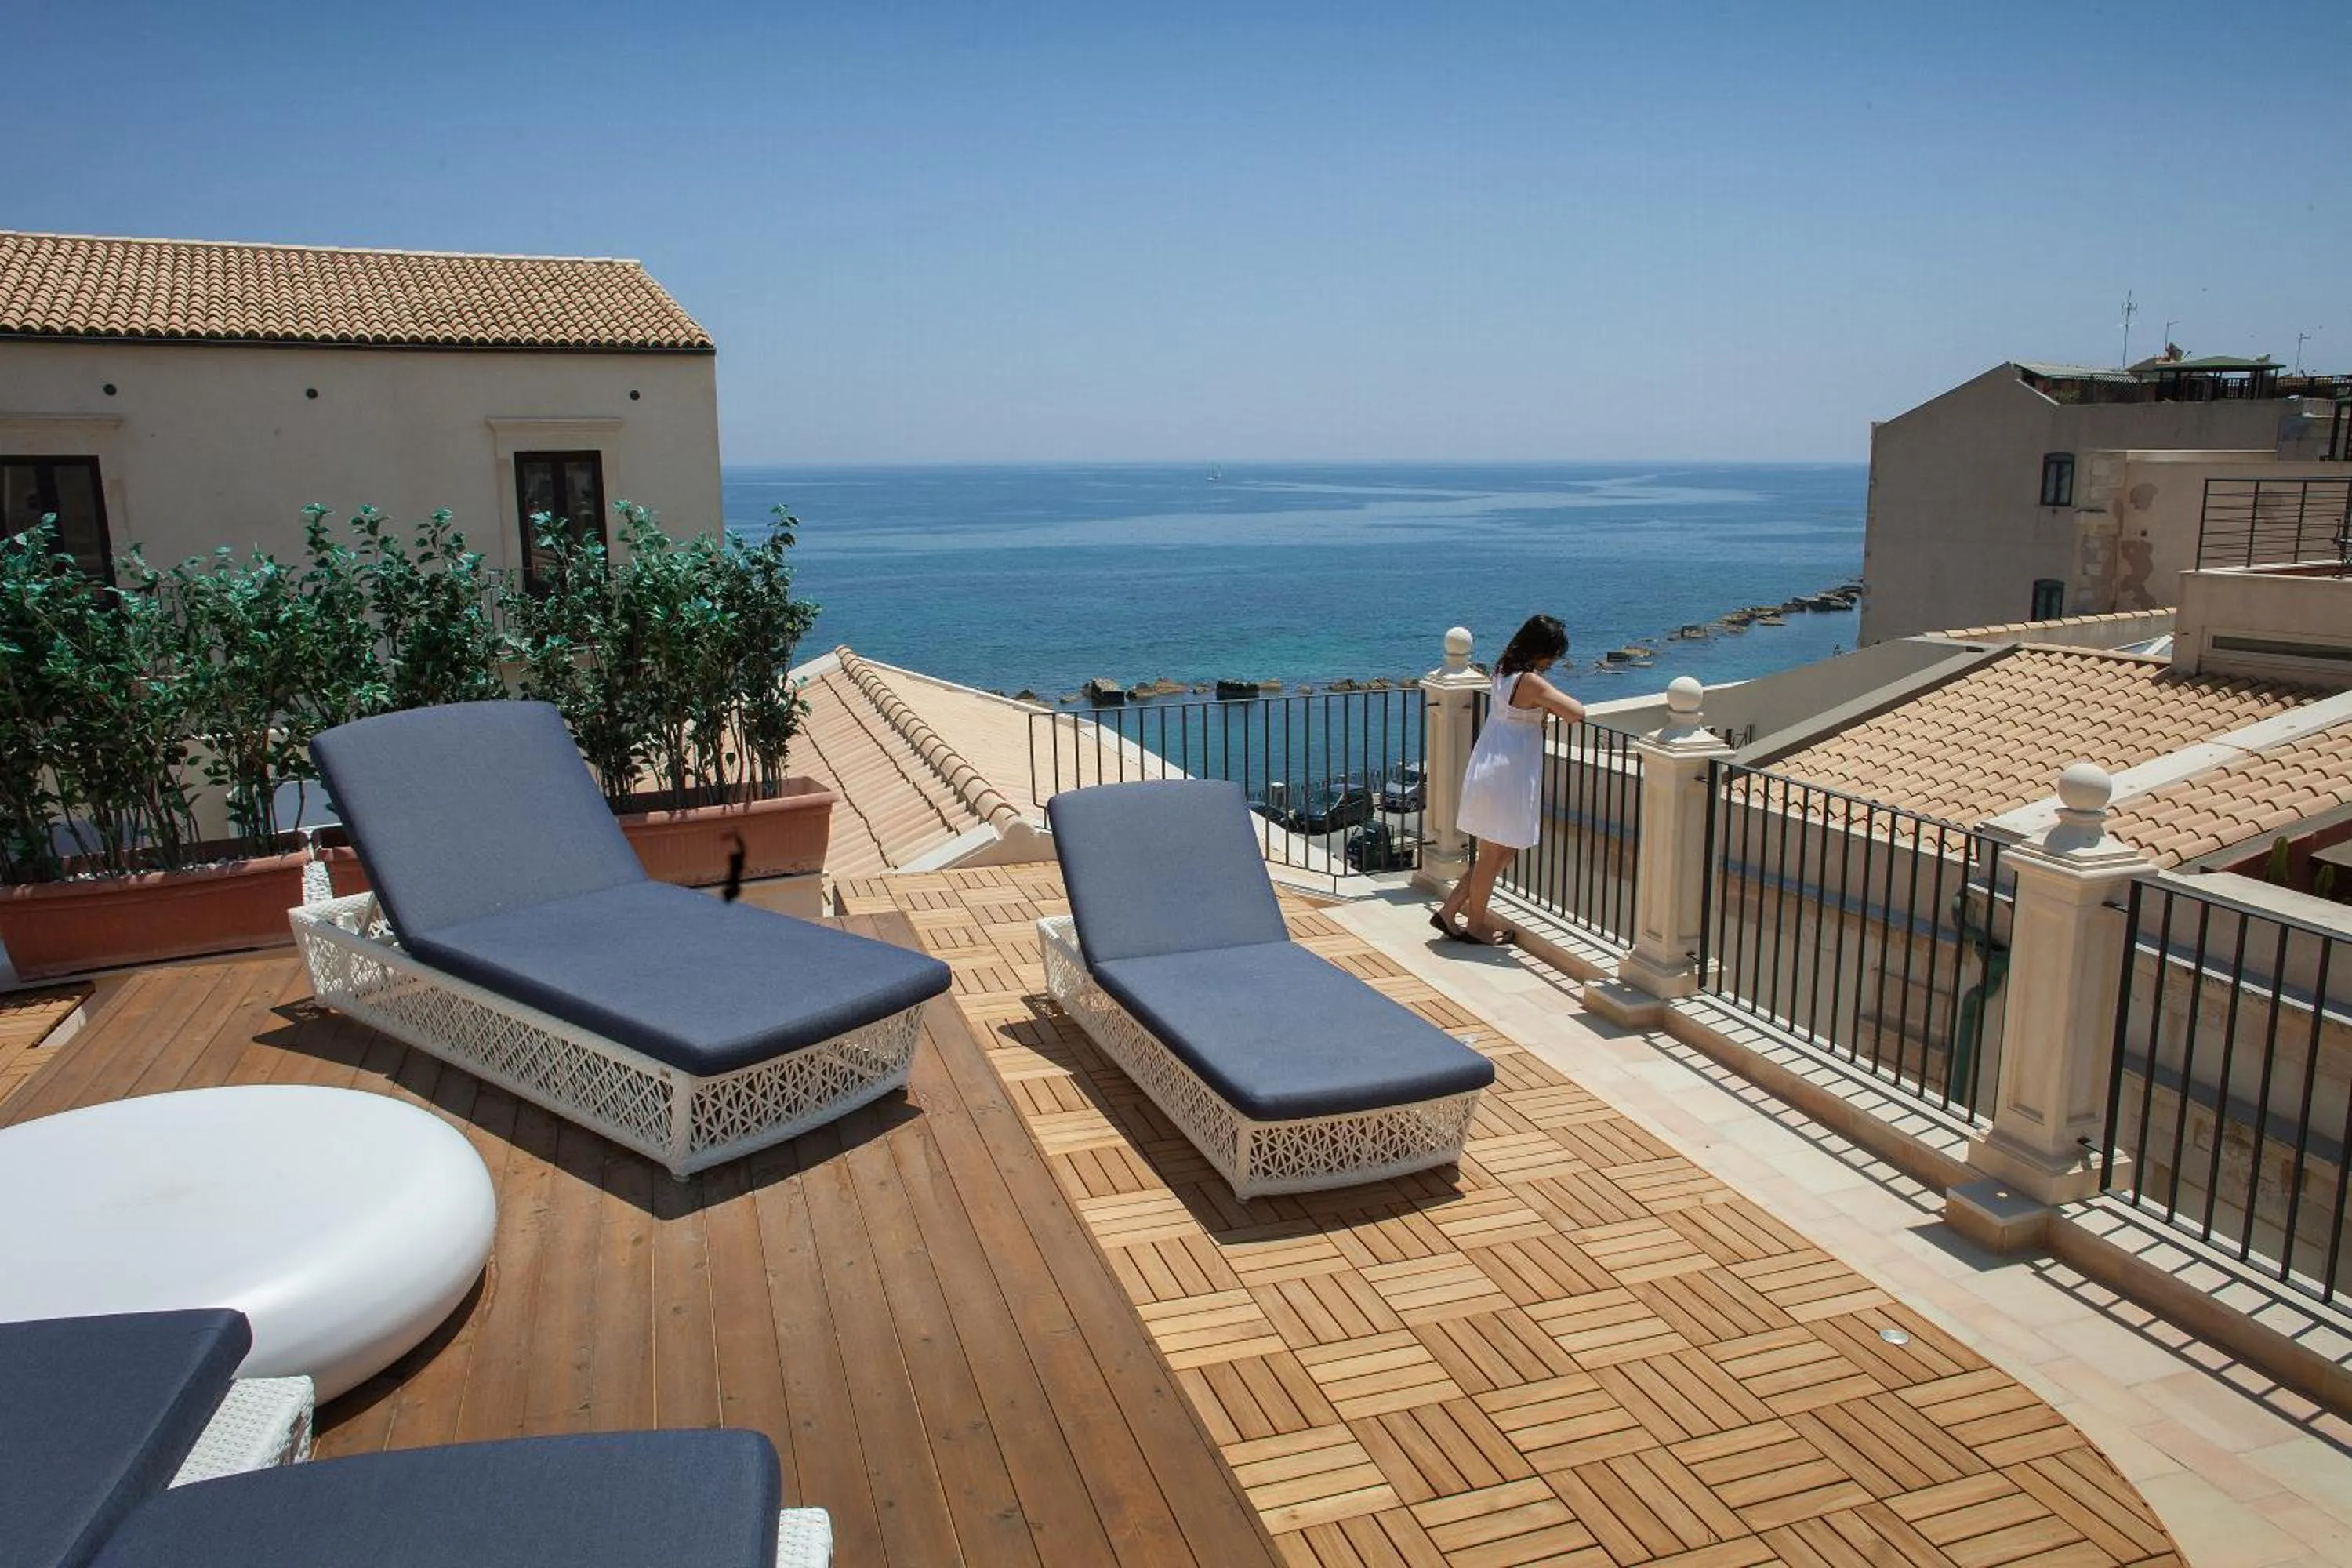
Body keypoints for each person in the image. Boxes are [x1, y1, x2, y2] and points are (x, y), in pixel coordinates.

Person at [1432, 615, 1584, 946]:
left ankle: (1450, 910)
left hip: (1494, 767)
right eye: (1552, 656)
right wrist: (1547, 701)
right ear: (1542, 651)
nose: (1552, 663)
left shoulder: (1503, 671)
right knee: (1493, 856)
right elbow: (1576, 712)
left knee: (1503, 853)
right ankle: (1475, 926)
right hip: (1506, 776)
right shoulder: (1530, 682)